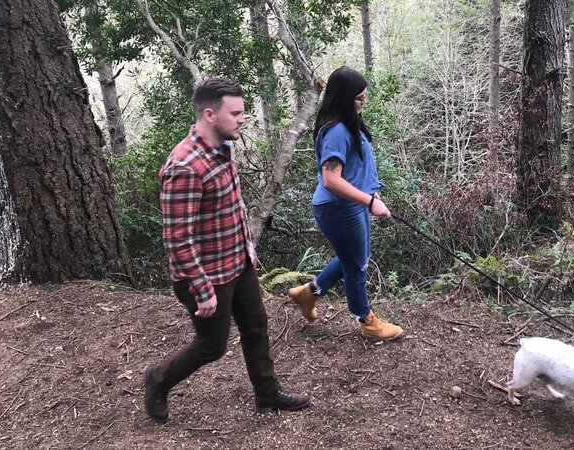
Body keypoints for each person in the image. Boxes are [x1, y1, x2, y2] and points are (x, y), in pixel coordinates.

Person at [144, 78, 310, 423]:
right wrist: (202, 291)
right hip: (205, 276)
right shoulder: (184, 168)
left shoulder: (222, 148)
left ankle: (267, 395)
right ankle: (158, 379)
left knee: (256, 327)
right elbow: (177, 239)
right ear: (209, 114)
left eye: (243, 112)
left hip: (236, 263)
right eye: (235, 113)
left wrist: (246, 248)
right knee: (212, 346)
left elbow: (230, 208)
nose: (242, 119)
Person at [288, 66, 404, 341]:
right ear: (343, 98)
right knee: (356, 266)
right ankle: (367, 321)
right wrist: (369, 201)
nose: (363, 102)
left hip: (353, 205)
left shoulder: (347, 124)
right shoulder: (337, 131)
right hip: (339, 208)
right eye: (359, 98)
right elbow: (331, 179)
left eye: (364, 97)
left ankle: (308, 293)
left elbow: (354, 170)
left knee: (355, 258)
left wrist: (371, 196)